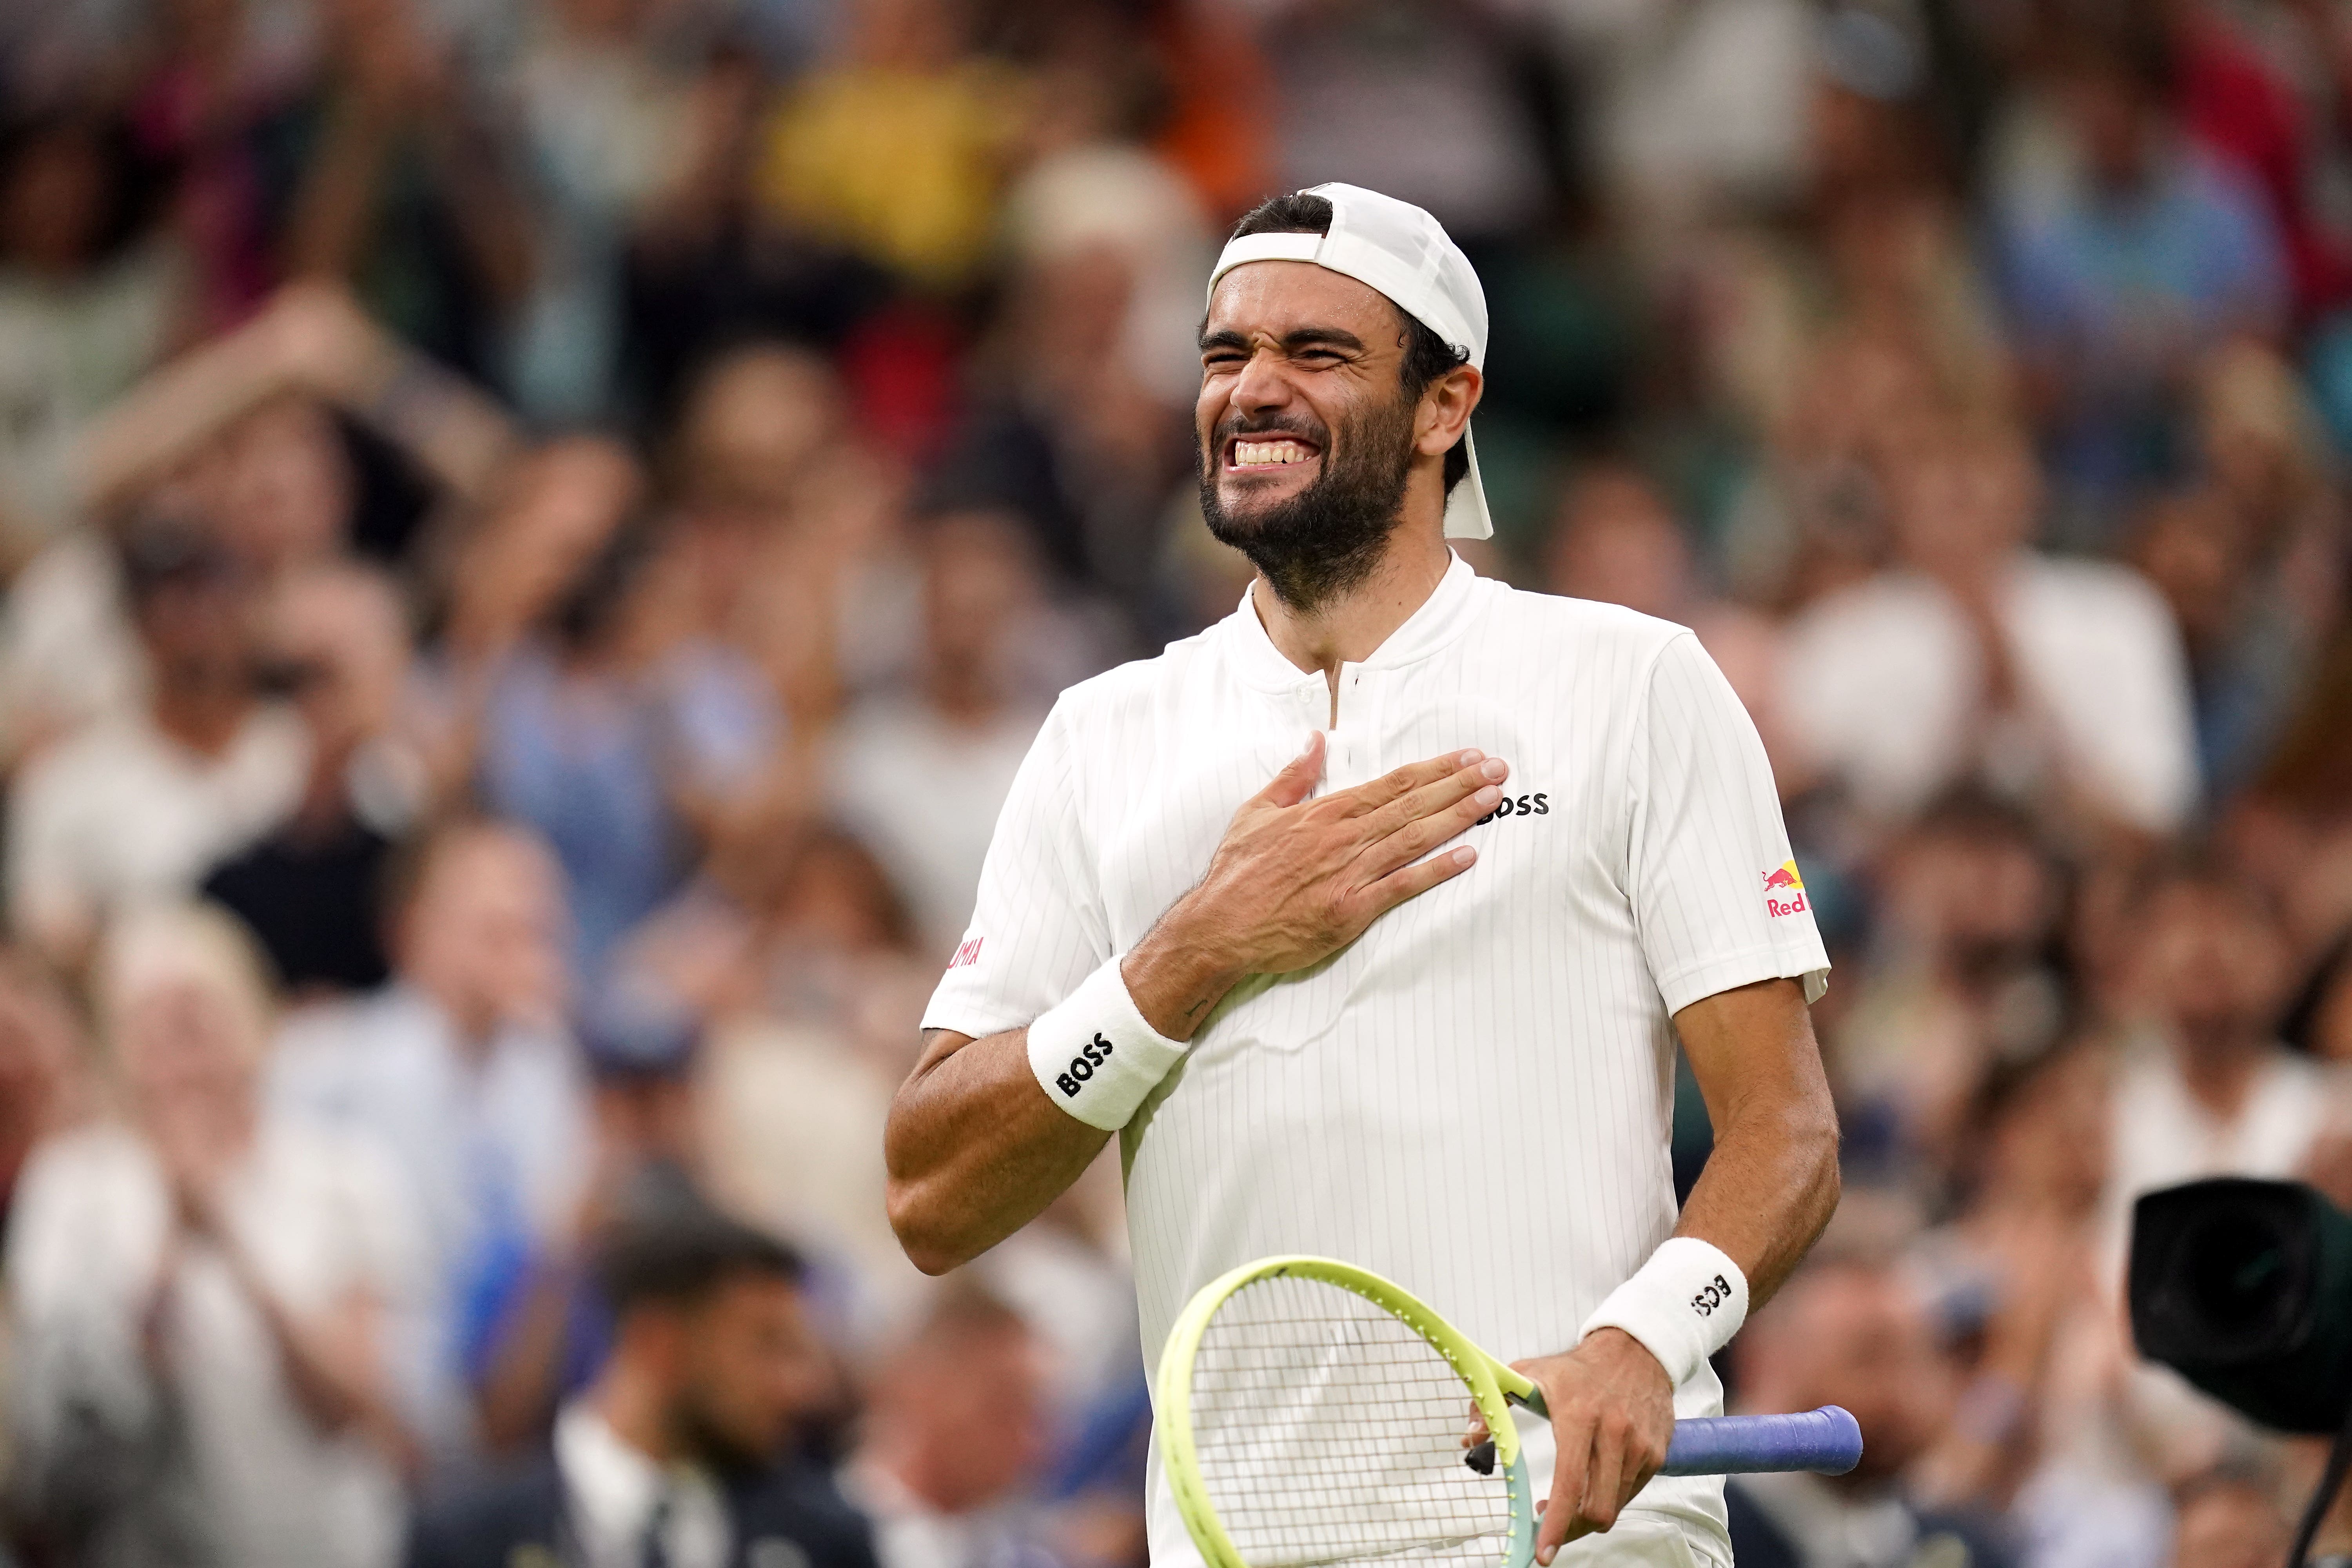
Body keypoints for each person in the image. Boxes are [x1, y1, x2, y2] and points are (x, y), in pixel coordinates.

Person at [886, 185, 1842, 1566]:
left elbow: (1788, 1129)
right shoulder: (1101, 737)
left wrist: (1645, 1340)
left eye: (1316, 355)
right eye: (1225, 356)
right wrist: (1188, 958)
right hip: (1248, 1543)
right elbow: (931, 1196)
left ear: (1447, 406)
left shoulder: (1633, 684)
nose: (1252, 391)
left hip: (1577, 1540)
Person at [7, 904, 421, 1568]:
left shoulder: (342, 1176)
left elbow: (359, 1405)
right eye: (149, 1028)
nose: (176, 1056)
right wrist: (167, 1248)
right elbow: (60, 1435)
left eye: (195, 1020)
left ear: (255, 1024)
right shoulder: (70, 1189)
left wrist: (227, 1236)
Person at [267, 816, 590, 1466]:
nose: (523, 942)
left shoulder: (555, 1072)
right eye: (494, 923)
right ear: (412, 927)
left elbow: (555, 1252)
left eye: (537, 924)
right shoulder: (322, 1066)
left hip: (518, 1425)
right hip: (354, 1431)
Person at [405, 1204, 878, 1568]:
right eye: (767, 1345)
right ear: (659, 1345)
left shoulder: (829, 1541)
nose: (806, 1387)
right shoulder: (464, 1540)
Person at [5, 518, 309, 969]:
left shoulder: (307, 746)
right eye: (171, 601)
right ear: (135, 623)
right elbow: (46, 939)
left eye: (212, 594)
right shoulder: (69, 781)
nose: (196, 621)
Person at [1722, 1258, 2016, 1568]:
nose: (1899, 1393)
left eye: (1913, 1359)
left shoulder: (1964, 1549)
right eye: (1869, 1359)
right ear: (1765, 1362)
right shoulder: (1698, 1535)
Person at [842, 1283, 1058, 1568]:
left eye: (1033, 1415)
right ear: (923, 1388)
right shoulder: (834, 1538)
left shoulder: (1015, 1544)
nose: (1033, 1444)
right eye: (1004, 1407)